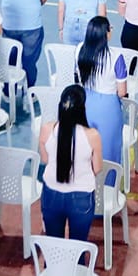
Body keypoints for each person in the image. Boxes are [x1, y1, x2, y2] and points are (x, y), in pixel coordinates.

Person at [38, 84, 102, 241]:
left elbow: (45, 160)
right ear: (82, 109)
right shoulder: (92, 135)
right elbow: (97, 168)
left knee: (54, 246)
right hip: (82, 196)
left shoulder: (47, 129)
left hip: (51, 192)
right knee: (78, 246)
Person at [77, 15, 127, 191]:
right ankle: (107, 190)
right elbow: (122, 92)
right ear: (106, 34)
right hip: (108, 109)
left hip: (85, 103)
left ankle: (84, 186)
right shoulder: (116, 56)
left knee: (84, 148)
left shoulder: (80, 50)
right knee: (108, 151)